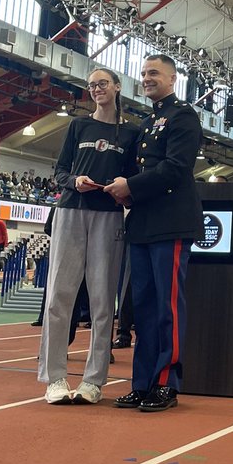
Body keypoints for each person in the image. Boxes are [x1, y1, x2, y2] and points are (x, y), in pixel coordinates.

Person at [38, 67, 135, 405]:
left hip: (109, 217)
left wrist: (124, 193)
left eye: (103, 84)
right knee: (58, 297)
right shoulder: (78, 125)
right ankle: (55, 379)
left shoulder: (130, 133)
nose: (96, 89)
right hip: (70, 211)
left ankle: (94, 381)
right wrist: (74, 180)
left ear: (117, 87)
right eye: (92, 85)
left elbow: (133, 180)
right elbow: (60, 170)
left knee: (103, 300)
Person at [112, 54, 203, 413]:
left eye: (154, 73)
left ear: (172, 78)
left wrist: (129, 185)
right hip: (144, 223)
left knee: (168, 307)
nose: (147, 78)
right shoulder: (149, 121)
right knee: (143, 307)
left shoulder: (183, 116)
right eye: (144, 73)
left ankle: (166, 382)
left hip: (171, 221)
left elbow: (177, 168)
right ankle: (142, 383)